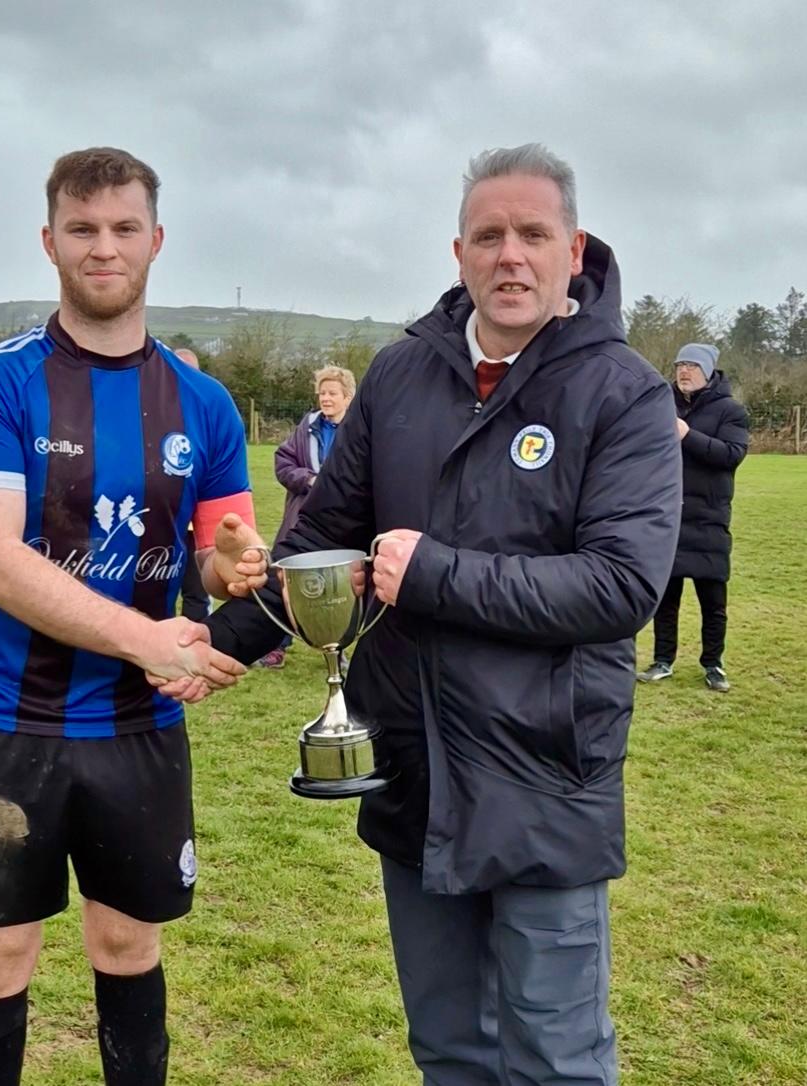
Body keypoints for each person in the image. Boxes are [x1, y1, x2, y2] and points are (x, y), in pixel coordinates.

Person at [194, 144, 682, 1084]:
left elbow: (621, 586)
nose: (510, 255)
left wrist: (435, 575)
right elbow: (323, 540)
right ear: (456, 252)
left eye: (532, 235)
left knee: (555, 1057)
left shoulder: (621, 392)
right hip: (413, 766)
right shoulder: (399, 376)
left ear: (571, 250)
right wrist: (215, 645)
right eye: (488, 235)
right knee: (448, 1049)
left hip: (545, 777)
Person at [0, 147, 265, 1086]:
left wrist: (232, 566)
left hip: (140, 729)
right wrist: (150, 641)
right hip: (7, 724)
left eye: (124, 229)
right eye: (82, 230)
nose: (103, 248)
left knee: (128, 947)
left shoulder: (203, 402)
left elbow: (217, 548)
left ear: (156, 241)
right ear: (50, 242)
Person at [637, 343, 748, 692]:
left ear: (708, 372)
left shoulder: (730, 411)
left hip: (709, 518)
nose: (684, 371)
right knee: (664, 600)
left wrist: (687, 435)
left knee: (713, 603)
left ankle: (714, 664)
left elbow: (731, 455)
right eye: (680, 365)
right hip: (667, 516)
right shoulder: (659, 403)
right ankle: (662, 661)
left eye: (692, 366)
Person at [256, 365, 356, 668]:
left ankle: (336, 650)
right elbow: (283, 462)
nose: (325, 398)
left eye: (332, 393)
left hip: (343, 523)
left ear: (348, 397)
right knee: (285, 582)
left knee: (337, 587)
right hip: (302, 521)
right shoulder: (307, 426)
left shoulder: (360, 429)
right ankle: (275, 647)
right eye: (322, 393)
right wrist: (309, 480)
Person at [172, 347, 213, 624]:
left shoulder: (209, 417)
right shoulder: (145, 413)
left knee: (196, 594)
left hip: (197, 527)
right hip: (158, 524)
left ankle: (191, 647)